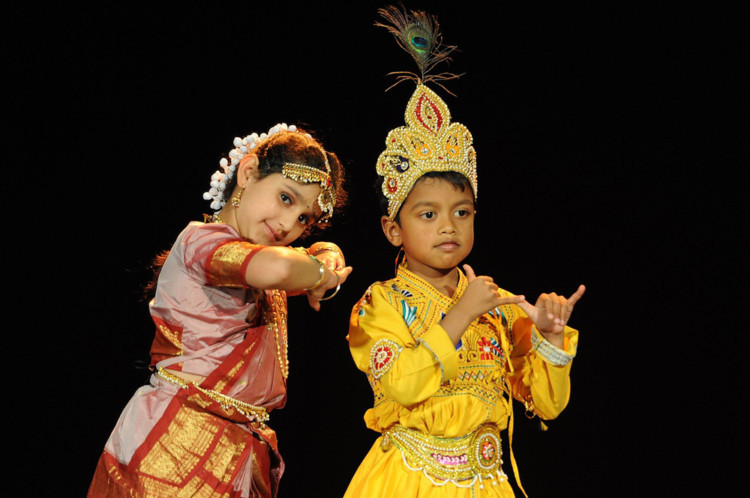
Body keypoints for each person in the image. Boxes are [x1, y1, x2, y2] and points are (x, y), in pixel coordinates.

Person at [344, 7, 585, 497]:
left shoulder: (497, 305)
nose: (448, 226)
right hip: (409, 480)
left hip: (486, 484)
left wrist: (551, 337)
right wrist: (460, 315)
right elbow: (402, 387)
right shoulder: (380, 304)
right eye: (427, 214)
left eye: (462, 212)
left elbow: (548, 406)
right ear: (394, 229)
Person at [88, 123, 352, 497]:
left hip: (239, 448)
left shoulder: (260, 258)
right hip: (176, 443)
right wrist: (322, 276)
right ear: (247, 174)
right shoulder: (202, 243)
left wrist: (325, 260)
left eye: (305, 219)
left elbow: (318, 251)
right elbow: (280, 268)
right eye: (286, 199)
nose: (288, 224)